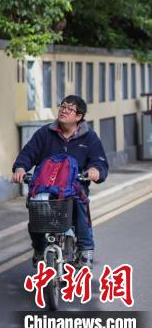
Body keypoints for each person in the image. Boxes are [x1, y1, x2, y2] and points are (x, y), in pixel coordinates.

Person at [11, 95, 108, 268]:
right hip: (46, 186)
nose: (63, 110)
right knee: (36, 207)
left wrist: (95, 170)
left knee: (80, 203)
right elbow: (28, 153)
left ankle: (85, 248)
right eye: (62, 106)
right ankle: (39, 248)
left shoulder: (89, 137)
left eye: (69, 108)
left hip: (74, 186)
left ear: (78, 116)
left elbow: (99, 162)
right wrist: (20, 168)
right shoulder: (45, 132)